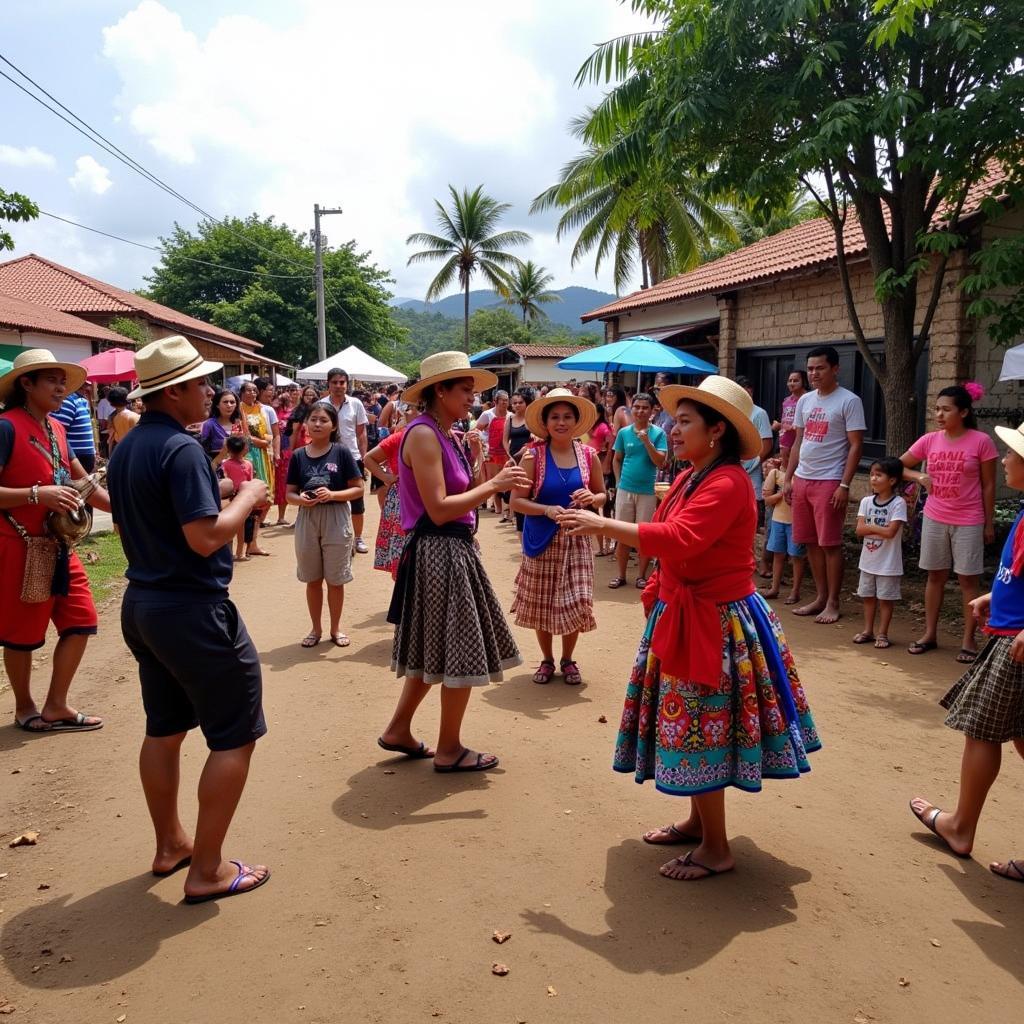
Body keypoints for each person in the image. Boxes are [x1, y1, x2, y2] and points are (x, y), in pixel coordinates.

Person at [560, 375, 820, 881]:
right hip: (690, 615)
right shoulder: (694, 475)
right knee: (699, 727)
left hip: (714, 624)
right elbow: (671, 520)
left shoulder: (725, 483)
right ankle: (700, 824)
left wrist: (604, 526)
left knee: (703, 730)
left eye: (683, 422)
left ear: (716, 430)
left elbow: (679, 537)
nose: (672, 431)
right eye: (673, 421)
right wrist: (604, 507)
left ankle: (717, 848)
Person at [107, 336, 270, 902]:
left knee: (165, 728)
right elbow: (204, 538)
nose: (211, 392)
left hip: (144, 604)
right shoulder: (179, 449)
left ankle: (171, 844)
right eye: (202, 383)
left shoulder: (131, 445)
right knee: (236, 734)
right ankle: (208, 869)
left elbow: (145, 516)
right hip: (192, 609)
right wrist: (247, 494)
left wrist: (222, 488)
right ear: (174, 391)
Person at [379, 352, 528, 772]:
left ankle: (399, 730)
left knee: (433, 650)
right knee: (460, 652)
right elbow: (441, 508)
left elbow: (459, 498)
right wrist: (495, 483)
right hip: (440, 550)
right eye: (465, 390)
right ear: (439, 391)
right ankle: (449, 749)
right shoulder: (425, 434)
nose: (472, 397)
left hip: (448, 548)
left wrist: (484, 472)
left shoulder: (444, 432)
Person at [909, 418, 1024, 882]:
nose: (1010, 461)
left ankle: (960, 825)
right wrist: (995, 596)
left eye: (1017, 455)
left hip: (1014, 643)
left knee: (983, 731)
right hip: (1009, 629)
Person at [0, 349, 110, 733]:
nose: (61, 387)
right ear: (26, 384)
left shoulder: (57, 429)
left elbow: (82, 480)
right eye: (52, 380)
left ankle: (56, 705)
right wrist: (35, 494)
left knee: (82, 621)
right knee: (22, 635)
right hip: (17, 544)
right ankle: (24, 706)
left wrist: (127, 509)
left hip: (58, 545)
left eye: (63, 381)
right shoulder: (6, 426)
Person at [510, 389, 605, 685]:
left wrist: (593, 497)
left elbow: (602, 495)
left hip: (577, 539)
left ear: (576, 422)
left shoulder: (589, 456)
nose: (561, 422)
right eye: (555, 417)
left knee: (575, 602)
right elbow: (516, 501)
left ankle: (568, 660)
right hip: (542, 540)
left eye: (567, 417)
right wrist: (547, 510)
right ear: (545, 422)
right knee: (543, 604)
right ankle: (547, 660)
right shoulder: (532, 456)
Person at [900, 384, 997, 662]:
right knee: (935, 576)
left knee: (968, 580)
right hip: (934, 517)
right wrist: (918, 477)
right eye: (937, 409)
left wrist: (988, 523)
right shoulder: (930, 440)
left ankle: (969, 639)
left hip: (968, 519)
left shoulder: (981, 441)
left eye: (946, 409)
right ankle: (929, 634)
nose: (939, 414)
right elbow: (898, 465)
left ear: (964, 412)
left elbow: (989, 486)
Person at [783, 346, 866, 624]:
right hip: (802, 479)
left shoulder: (849, 401)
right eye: (810, 369)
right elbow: (798, 442)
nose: (814, 374)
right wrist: (788, 477)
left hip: (830, 480)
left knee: (829, 544)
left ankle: (833, 601)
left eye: (820, 368)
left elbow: (856, 446)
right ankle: (819, 597)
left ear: (835, 369)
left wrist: (844, 485)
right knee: (809, 543)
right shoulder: (805, 401)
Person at [285, 402, 363, 649]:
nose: (317, 424)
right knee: (312, 579)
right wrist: (302, 501)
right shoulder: (298, 455)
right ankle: (316, 629)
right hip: (308, 519)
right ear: (306, 423)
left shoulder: (341, 452)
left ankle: (335, 628)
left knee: (335, 579)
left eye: (323, 420)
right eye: (313, 419)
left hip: (336, 517)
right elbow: (289, 494)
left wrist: (333, 495)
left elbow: (358, 488)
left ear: (333, 425)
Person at [610, 392, 669, 589]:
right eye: (637, 407)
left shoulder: (658, 434)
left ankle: (641, 576)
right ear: (631, 409)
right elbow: (616, 459)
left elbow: (661, 463)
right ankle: (620, 575)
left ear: (652, 411)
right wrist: (618, 483)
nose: (640, 411)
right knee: (622, 535)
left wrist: (646, 442)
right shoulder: (624, 433)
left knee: (644, 536)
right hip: (625, 489)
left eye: (645, 407)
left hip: (646, 491)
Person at [852, 457, 907, 650]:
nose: (873, 479)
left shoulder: (898, 503)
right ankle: (868, 630)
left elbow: (891, 532)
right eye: (872, 475)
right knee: (867, 596)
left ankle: (883, 633)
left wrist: (871, 527)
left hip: (888, 563)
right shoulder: (866, 501)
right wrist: (876, 529)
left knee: (885, 599)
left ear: (892, 480)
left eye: (879, 475)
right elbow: (859, 530)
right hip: (868, 561)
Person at [322, 368, 369, 553]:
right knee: (330, 500)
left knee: (357, 501)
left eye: (342, 382)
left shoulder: (356, 403)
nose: (339, 386)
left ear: (347, 384)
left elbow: (361, 433)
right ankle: (333, 539)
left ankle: (358, 538)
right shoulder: (321, 405)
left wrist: (363, 457)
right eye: (335, 382)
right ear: (328, 384)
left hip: (353, 458)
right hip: (327, 458)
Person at [365, 405, 413, 579]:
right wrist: (387, 477)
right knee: (401, 552)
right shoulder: (400, 437)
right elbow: (368, 458)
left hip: (416, 498)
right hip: (402, 499)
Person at [761, 455, 805, 604]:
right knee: (778, 554)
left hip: (796, 521)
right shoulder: (776, 474)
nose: (786, 458)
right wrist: (782, 493)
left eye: (788, 455)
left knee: (796, 557)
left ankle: (795, 591)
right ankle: (775, 587)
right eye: (784, 454)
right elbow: (767, 500)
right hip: (778, 519)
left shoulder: (802, 475)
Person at [238, 380, 275, 556]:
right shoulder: (240, 408)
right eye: (248, 390)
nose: (252, 393)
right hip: (249, 455)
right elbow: (246, 435)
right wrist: (262, 441)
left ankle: (253, 541)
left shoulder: (261, 408)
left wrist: (266, 441)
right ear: (242, 392)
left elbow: (269, 432)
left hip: (263, 455)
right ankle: (245, 543)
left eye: (254, 390)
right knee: (251, 499)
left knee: (265, 499)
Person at [220, 435, 257, 562]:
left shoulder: (225, 464)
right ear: (244, 449)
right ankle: (239, 553)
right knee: (240, 528)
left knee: (231, 528)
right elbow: (250, 482)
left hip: (231, 499)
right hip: (242, 499)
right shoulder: (248, 464)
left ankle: (231, 554)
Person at [503, 387, 535, 531]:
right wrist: (510, 455)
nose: (516, 405)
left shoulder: (532, 418)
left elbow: (536, 438)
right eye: (514, 403)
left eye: (520, 402)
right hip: (514, 459)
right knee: (514, 491)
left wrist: (528, 449)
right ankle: (515, 518)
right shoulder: (509, 419)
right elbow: (505, 440)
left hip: (529, 458)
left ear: (527, 403)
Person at [52, 382, 97, 473]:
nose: (88, 387)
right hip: (75, 457)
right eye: (85, 384)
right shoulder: (68, 401)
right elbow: (57, 432)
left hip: (83, 457)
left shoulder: (81, 401)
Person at [478, 390, 509, 518]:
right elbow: (476, 429)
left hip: (506, 452)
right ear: (496, 401)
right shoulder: (487, 414)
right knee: (494, 478)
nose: (505, 403)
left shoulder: (510, 416)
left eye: (507, 400)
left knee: (506, 478)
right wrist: (484, 442)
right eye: (503, 400)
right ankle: (497, 508)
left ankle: (505, 509)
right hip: (490, 451)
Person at [589, 403, 614, 556]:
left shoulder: (603, 427)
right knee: (595, 508)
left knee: (604, 508)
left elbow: (611, 442)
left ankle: (606, 545)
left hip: (602, 468)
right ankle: (600, 546)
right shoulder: (590, 427)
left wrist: (606, 461)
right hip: (591, 466)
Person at [774, 370, 809, 470]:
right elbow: (785, 421)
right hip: (784, 443)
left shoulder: (808, 399)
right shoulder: (786, 400)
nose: (792, 383)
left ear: (804, 382)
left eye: (796, 380)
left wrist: (780, 425)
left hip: (799, 444)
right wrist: (780, 426)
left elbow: (805, 425)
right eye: (790, 380)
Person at [200, 388, 244, 461]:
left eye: (232, 402)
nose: (229, 405)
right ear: (217, 405)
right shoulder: (209, 424)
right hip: (217, 468)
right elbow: (204, 453)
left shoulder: (238, 424)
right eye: (225, 402)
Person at [107, 386, 140, 452]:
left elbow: (111, 439)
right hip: (132, 451)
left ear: (111, 403)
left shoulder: (112, 417)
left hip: (119, 450)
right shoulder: (134, 416)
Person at [96, 385, 113, 459]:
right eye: (106, 390)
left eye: (108, 390)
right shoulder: (102, 402)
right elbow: (100, 418)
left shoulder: (112, 401)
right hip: (106, 426)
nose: (107, 392)